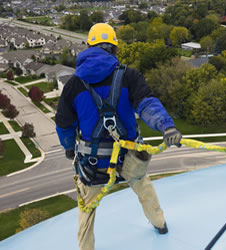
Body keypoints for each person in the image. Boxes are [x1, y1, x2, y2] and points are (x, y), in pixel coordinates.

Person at [55, 23, 182, 250]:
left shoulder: (73, 85)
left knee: (87, 209)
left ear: (89, 47)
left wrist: (69, 149)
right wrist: (167, 127)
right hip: (130, 157)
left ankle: (85, 247)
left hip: (94, 164)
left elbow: (64, 125)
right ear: (114, 49)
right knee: (144, 188)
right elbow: (147, 104)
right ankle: (160, 224)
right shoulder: (129, 76)